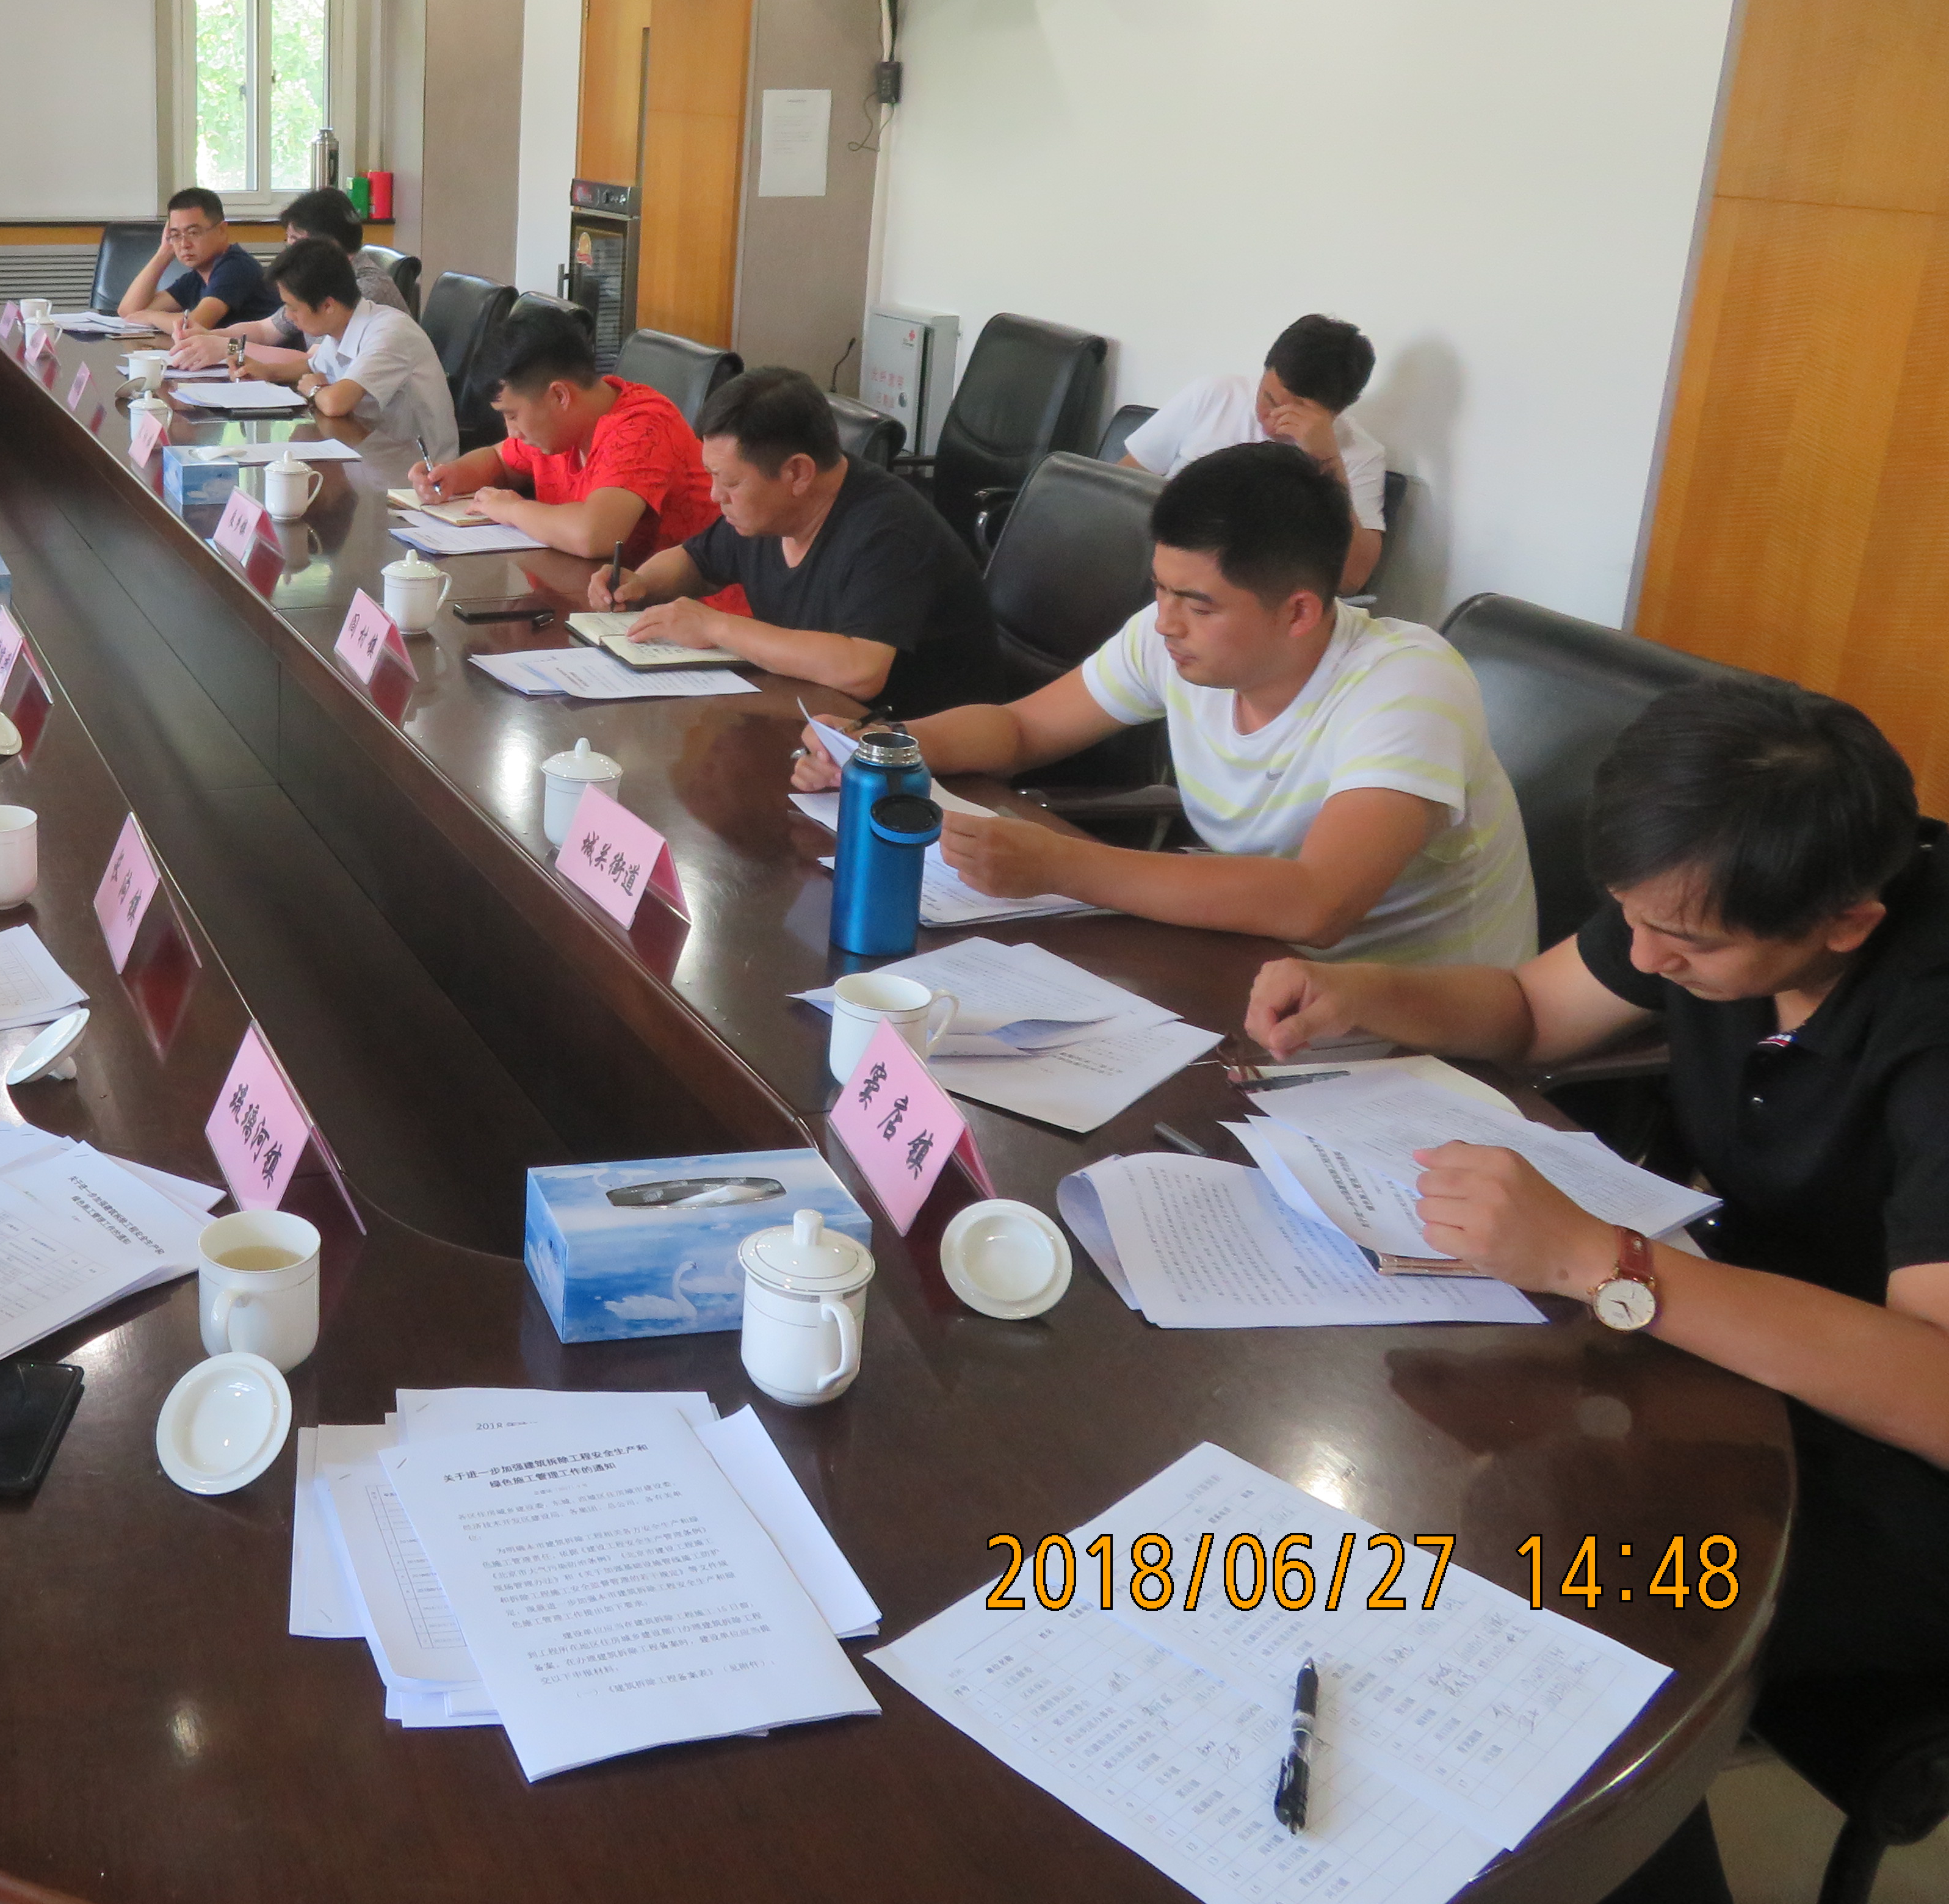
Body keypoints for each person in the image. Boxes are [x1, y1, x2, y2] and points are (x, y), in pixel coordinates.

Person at [1244, 679, 1949, 1902]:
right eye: (1632, 915)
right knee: (1460, 1486)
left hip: (1896, 1462)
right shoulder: (1705, 888)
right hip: (1742, 1341)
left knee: (1566, 1620)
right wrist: (1366, 992)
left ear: (1847, 923)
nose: (1646, 955)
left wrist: (1605, 1263)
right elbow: (1532, 1008)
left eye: (1685, 945)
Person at [804, 440, 1533, 961]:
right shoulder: (1177, 643)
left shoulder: (1407, 687)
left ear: (1300, 613)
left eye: (1197, 603)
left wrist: (1060, 866)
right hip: (1251, 972)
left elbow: (1317, 903)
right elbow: (1024, 728)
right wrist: (887, 747)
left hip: (1418, 1046)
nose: (1165, 622)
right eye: (1159, 589)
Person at [589, 365, 997, 716]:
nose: (715, 496)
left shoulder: (889, 530)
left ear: (797, 474)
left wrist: (716, 627)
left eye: (730, 482)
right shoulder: (769, 511)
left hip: (915, 751)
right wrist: (640, 584)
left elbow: (861, 669)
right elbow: (696, 561)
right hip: (816, 720)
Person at [408, 308, 720, 565]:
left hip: (691, 611)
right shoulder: (560, 426)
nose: (512, 431)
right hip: (597, 593)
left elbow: (595, 535)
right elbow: (500, 459)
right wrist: (453, 475)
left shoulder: (641, 427)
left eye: (512, 415)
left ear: (560, 395)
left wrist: (513, 510)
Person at [1121, 313, 1389, 593]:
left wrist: (1327, 461)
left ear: (1341, 409)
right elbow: (1120, 489)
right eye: (1269, 399)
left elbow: (1350, 581)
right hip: (1159, 565)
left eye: (1297, 414)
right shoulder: (1215, 395)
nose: (1272, 421)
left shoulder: (1360, 455)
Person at [190, 239, 458, 460]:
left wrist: (315, 389)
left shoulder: (390, 332)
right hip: (370, 449)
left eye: (293, 308)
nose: (289, 316)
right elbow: (312, 366)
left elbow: (335, 403)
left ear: (328, 305)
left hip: (420, 473)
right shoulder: (344, 324)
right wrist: (266, 372)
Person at [116, 186, 284, 347]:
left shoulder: (236, 267)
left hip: (264, 362)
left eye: (193, 233)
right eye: (176, 235)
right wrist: (164, 253)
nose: (184, 244)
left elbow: (196, 324)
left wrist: (151, 317)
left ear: (221, 230)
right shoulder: (197, 276)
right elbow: (129, 313)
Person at [277, 186, 410, 315]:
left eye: (295, 239)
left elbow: (310, 328)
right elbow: (274, 326)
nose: (290, 248)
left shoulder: (367, 290)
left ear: (329, 243)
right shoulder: (323, 275)